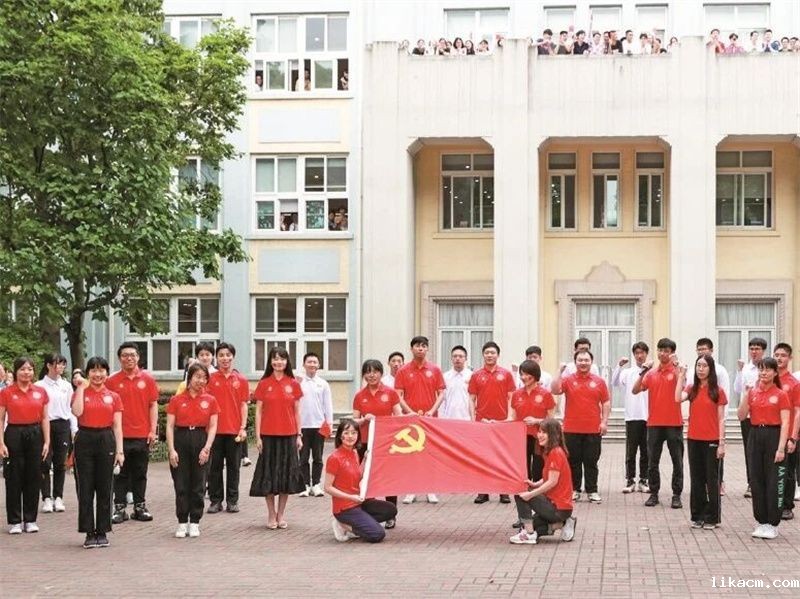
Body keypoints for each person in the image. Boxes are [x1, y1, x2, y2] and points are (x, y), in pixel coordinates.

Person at [71, 357, 124, 548]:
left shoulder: (113, 396)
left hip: (106, 439)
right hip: (84, 438)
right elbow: (77, 412)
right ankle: (88, 532)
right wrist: (80, 387)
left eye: (101, 370)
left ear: (107, 373)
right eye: (93, 370)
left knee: (105, 487)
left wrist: (120, 451)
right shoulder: (80, 392)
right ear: (88, 374)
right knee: (85, 487)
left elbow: (117, 426)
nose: (97, 374)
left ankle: (102, 530)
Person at [250, 347, 305, 529]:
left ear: (287, 361)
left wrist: (299, 435)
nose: (278, 362)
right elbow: (258, 411)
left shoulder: (293, 383)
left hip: (289, 436)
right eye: (275, 358)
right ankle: (271, 514)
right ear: (270, 362)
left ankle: (281, 514)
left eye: (282, 358)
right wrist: (258, 437)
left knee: (285, 477)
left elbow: (297, 412)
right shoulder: (264, 383)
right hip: (268, 436)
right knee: (268, 475)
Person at [738, 357, 790, 539]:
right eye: (761, 369)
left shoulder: (781, 394)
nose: (763, 373)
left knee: (774, 480)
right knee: (756, 479)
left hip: (773, 435)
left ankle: (772, 523)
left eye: (768, 369)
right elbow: (741, 415)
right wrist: (746, 395)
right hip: (755, 435)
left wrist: (781, 448)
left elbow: (785, 423)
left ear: (775, 373)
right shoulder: (753, 392)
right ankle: (761, 521)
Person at [166, 363, 219, 539]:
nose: (201, 381)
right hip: (181, 439)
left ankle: (195, 521)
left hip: (201, 439)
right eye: (197, 377)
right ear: (189, 378)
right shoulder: (176, 400)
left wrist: (207, 448)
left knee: (199, 484)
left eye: (204, 378)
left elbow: (213, 426)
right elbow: (169, 426)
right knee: (181, 484)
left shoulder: (210, 400)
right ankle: (182, 522)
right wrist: (171, 450)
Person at [551, 350, 610, 503]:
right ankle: (575, 490)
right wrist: (559, 371)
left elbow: (606, 402)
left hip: (593, 429)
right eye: (580, 360)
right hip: (571, 429)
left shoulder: (599, 381)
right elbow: (554, 390)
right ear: (575, 362)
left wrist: (604, 422)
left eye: (586, 360)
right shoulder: (568, 380)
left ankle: (592, 491)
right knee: (573, 461)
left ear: (591, 362)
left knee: (591, 461)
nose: (583, 363)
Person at [326, 418, 397, 543]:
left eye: (354, 433)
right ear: (340, 436)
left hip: (359, 502)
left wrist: (365, 460)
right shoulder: (334, 458)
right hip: (345, 508)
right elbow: (328, 487)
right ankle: (343, 524)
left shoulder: (354, 453)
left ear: (358, 435)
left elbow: (357, 474)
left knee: (390, 509)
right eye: (346, 433)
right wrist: (350, 497)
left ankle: (361, 522)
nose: (350, 436)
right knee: (377, 534)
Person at [0, 357, 50, 534]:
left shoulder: (40, 392)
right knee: (14, 477)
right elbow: (1, 419)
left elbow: (45, 418)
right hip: (14, 433)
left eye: (29, 369)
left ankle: (30, 519)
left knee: (33, 476)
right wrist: (1, 442)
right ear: (15, 371)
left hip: (35, 433)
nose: (26, 372)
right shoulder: (7, 392)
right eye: (22, 369)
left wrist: (47, 441)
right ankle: (15, 521)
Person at [676, 355, 727, 529]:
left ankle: (712, 517)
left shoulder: (718, 391)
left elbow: (721, 419)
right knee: (696, 479)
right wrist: (681, 376)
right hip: (694, 439)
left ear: (710, 369)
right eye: (698, 365)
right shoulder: (692, 388)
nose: (701, 369)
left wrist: (721, 443)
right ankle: (697, 515)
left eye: (704, 366)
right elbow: (677, 398)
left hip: (712, 440)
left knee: (711, 480)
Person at [394, 336, 445, 504]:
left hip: (430, 419)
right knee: (411, 454)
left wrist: (432, 411)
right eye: (417, 346)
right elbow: (398, 395)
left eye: (424, 346)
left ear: (427, 349)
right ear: (411, 349)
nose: (420, 349)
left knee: (430, 453)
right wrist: (410, 412)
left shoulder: (435, 370)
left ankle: (431, 489)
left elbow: (441, 393)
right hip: (410, 420)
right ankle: (411, 489)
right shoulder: (403, 371)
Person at [633, 338, 684, 509]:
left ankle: (676, 495)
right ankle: (653, 493)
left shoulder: (677, 371)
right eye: (660, 350)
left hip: (674, 423)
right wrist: (643, 371)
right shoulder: (651, 373)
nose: (662, 354)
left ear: (672, 353)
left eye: (666, 351)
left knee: (677, 461)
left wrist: (677, 366)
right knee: (652, 461)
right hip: (654, 424)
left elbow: (682, 384)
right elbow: (635, 390)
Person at [509, 418, 576, 544]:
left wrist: (531, 494)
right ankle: (562, 523)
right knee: (533, 526)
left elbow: (552, 482)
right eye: (539, 431)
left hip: (558, 507)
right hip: (556, 507)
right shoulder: (549, 451)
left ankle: (529, 534)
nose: (539, 435)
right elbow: (548, 477)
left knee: (520, 493)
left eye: (544, 432)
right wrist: (535, 484)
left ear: (553, 434)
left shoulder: (556, 452)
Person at [352, 359, 402, 527]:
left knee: (388, 478)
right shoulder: (360, 395)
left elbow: (398, 417)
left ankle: (391, 515)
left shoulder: (390, 393)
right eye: (368, 372)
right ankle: (369, 513)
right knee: (366, 478)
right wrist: (363, 420)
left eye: (375, 372)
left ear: (381, 373)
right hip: (365, 442)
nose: (371, 375)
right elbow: (354, 420)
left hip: (386, 443)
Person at [509, 359, 556, 523]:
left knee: (538, 475)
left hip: (539, 440)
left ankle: (540, 513)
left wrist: (537, 421)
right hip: (520, 439)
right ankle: (524, 516)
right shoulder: (516, 394)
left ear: (535, 375)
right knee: (522, 477)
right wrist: (495, 423)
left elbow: (551, 420)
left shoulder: (545, 394)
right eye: (522, 374)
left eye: (527, 374)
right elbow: (512, 418)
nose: (524, 377)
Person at [469, 341, 516, 504]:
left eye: (493, 353)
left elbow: (511, 397)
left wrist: (509, 418)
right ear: (483, 355)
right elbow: (472, 399)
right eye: (487, 353)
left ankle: (504, 491)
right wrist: (473, 419)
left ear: (498, 355)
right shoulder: (476, 375)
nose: (490, 355)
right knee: (483, 458)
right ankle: (483, 492)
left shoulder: (506, 374)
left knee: (502, 457)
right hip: (482, 422)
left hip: (501, 422)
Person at [207, 342, 250, 514]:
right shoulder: (210, 378)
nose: (225, 358)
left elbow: (243, 405)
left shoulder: (241, 379)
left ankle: (232, 501)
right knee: (214, 468)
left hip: (234, 431)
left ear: (233, 357)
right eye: (221, 355)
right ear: (216, 358)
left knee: (234, 468)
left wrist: (243, 427)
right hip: (214, 432)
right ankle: (215, 501)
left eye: (228, 355)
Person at [37, 352, 77, 514]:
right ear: (48, 365)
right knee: (44, 462)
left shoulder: (66, 386)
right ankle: (46, 497)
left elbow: (71, 409)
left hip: (62, 425)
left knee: (60, 462)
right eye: (57, 363)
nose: (60, 367)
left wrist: (74, 429)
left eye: (62, 364)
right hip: (44, 425)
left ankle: (58, 496)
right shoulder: (39, 386)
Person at [611, 342, 650, 494]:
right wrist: (619, 366)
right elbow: (614, 382)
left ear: (646, 354)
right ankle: (630, 479)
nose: (640, 356)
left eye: (642, 353)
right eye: (637, 353)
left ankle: (644, 480)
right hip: (632, 417)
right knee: (631, 451)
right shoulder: (628, 372)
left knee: (646, 451)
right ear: (634, 355)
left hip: (648, 417)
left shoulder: (652, 372)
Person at [695, 337, 730, 494]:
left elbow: (724, 395)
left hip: (716, 420)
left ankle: (719, 482)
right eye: (699, 349)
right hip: (700, 423)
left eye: (704, 349)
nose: (701, 351)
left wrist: (723, 419)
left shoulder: (720, 370)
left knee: (716, 457)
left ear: (711, 350)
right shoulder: (695, 370)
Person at [734, 337, 767, 498]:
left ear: (763, 351)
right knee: (750, 451)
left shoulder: (768, 368)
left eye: (757, 349)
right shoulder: (746, 369)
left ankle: (765, 483)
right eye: (752, 349)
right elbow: (737, 389)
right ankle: (751, 483)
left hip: (764, 415)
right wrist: (740, 371)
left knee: (765, 451)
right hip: (747, 415)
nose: (754, 352)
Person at [297, 352, 333, 498]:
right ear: (304, 364)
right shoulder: (298, 382)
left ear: (318, 365)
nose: (312, 364)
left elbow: (328, 405)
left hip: (319, 425)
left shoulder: (323, 384)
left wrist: (329, 423)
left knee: (318, 457)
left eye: (314, 362)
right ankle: (305, 485)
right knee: (303, 457)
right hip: (302, 426)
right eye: (309, 362)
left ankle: (316, 484)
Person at [773, 343, 800, 520]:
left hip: (788, 433)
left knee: (787, 472)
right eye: (776, 355)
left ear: (790, 358)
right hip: (771, 433)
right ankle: (773, 503)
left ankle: (787, 506)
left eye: (783, 355)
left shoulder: (793, 383)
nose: (779, 358)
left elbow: (798, 412)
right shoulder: (768, 380)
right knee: (772, 471)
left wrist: (793, 437)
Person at [441, 345, 473, 420]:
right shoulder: (445, 376)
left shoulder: (472, 376)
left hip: (467, 418)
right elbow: (442, 399)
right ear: (451, 358)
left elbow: (474, 399)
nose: (457, 359)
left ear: (466, 358)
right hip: (449, 418)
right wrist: (441, 417)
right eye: (455, 356)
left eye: (461, 356)